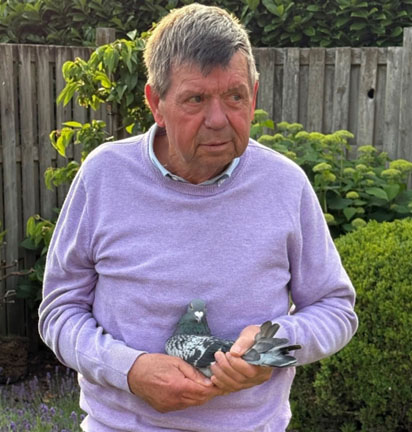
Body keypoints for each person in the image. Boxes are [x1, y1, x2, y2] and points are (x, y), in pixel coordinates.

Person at [38, 4, 358, 431]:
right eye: (196, 99)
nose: (218, 120)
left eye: (235, 97)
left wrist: (274, 346)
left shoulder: (285, 185)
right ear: (156, 103)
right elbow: (60, 311)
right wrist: (129, 370)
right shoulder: (105, 176)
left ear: (253, 97)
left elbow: (335, 308)